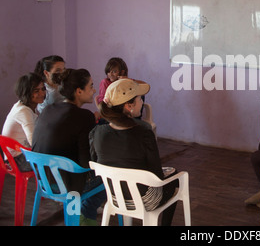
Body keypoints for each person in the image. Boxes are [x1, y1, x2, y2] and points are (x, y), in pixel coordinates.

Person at [89, 78, 178, 226]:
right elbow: (156, 175)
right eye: (139, 99)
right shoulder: (144, 133)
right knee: (175, 178)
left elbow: (96, 163)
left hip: (114, 197)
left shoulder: (96, 132)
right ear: (129, 106)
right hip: (145, 200)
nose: (142, 102)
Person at [32, 68, 105, 225]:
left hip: (43, 180)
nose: (93, 91)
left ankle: (81, 213)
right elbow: (86, 163)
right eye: (91, 86)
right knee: (110, 177)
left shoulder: (48, 109)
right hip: (65, 185)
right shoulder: (84, 116)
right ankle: (87, 215)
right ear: (78, 91)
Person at [1, 73, 46, 172]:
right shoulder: (24, 111)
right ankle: (51, 187)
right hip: (16, 160)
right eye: (36, 91)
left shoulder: (26, 106)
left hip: (19, 154)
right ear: (26, 92)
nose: (42, 93)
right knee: (54, 161)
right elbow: (33, 142)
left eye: (43, 89)